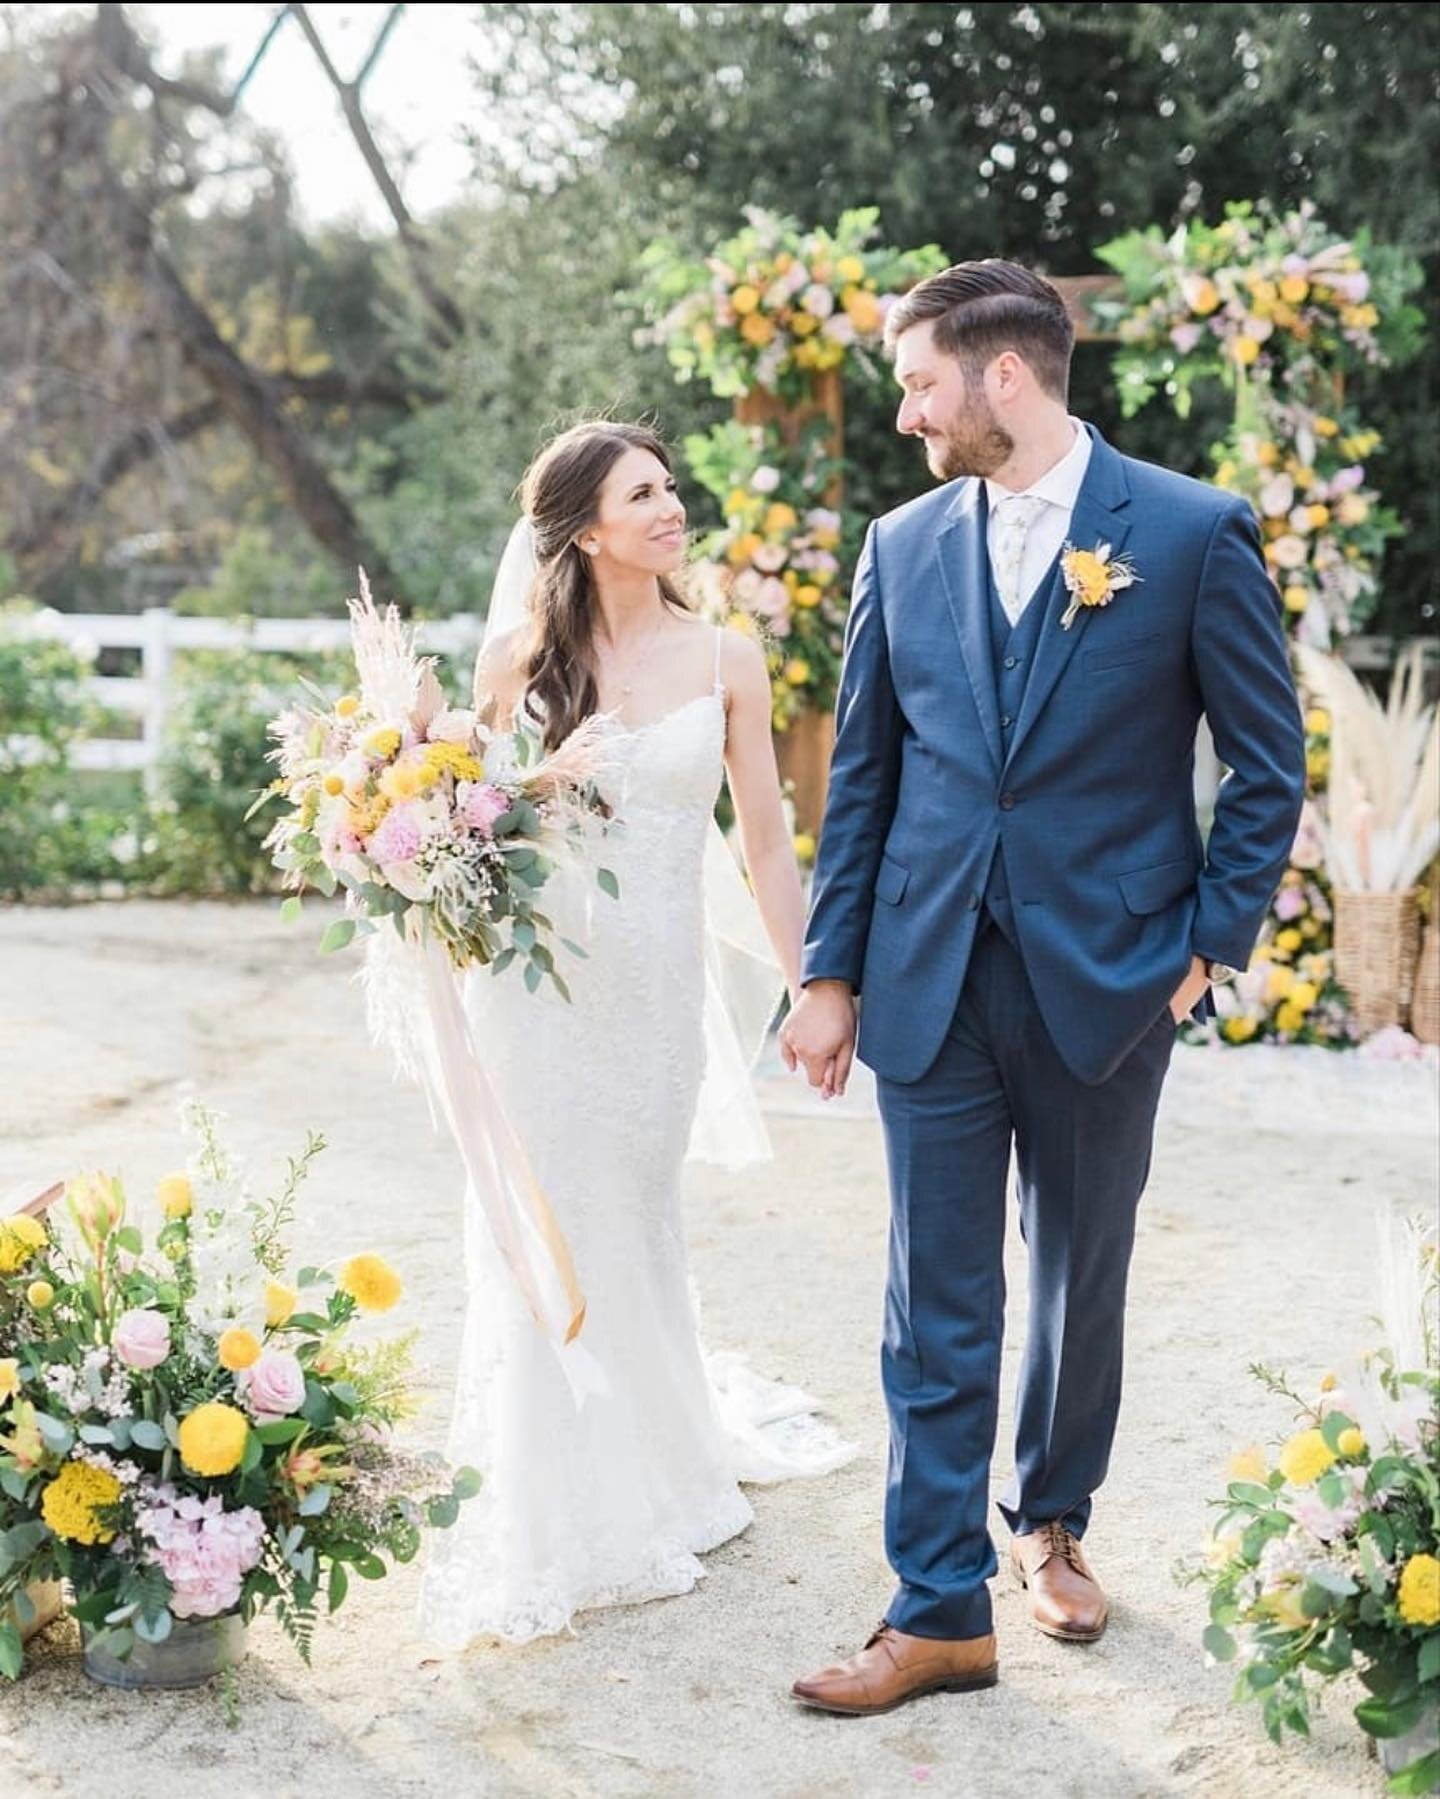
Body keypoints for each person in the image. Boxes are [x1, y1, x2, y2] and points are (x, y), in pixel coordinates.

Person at [782, 261, 1305, 1714]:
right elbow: (868, 774)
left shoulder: (1192, 533)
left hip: (1112, 973)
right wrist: (830, 971)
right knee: (930, 1299)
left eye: (921, 383)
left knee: (1078, 1273)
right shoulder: (902, 541)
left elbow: (1268, 764)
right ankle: (935, 1604)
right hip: (928, 971)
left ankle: (1051, 1518)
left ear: (1002, 377)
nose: (906, 413)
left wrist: (1208, 942)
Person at [417, 420, 853, 1649]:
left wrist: (816, 977)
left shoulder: (728, 657)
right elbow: (461, 825)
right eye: (642, 493)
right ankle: (557, 1493)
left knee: (634, 1214)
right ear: (584, 528)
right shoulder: (514, 663)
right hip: (538, 993)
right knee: (550, 1215)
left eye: (670, 487)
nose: (672, 508)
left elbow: (765, 835)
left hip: (656, 994)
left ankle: (663, 1456)